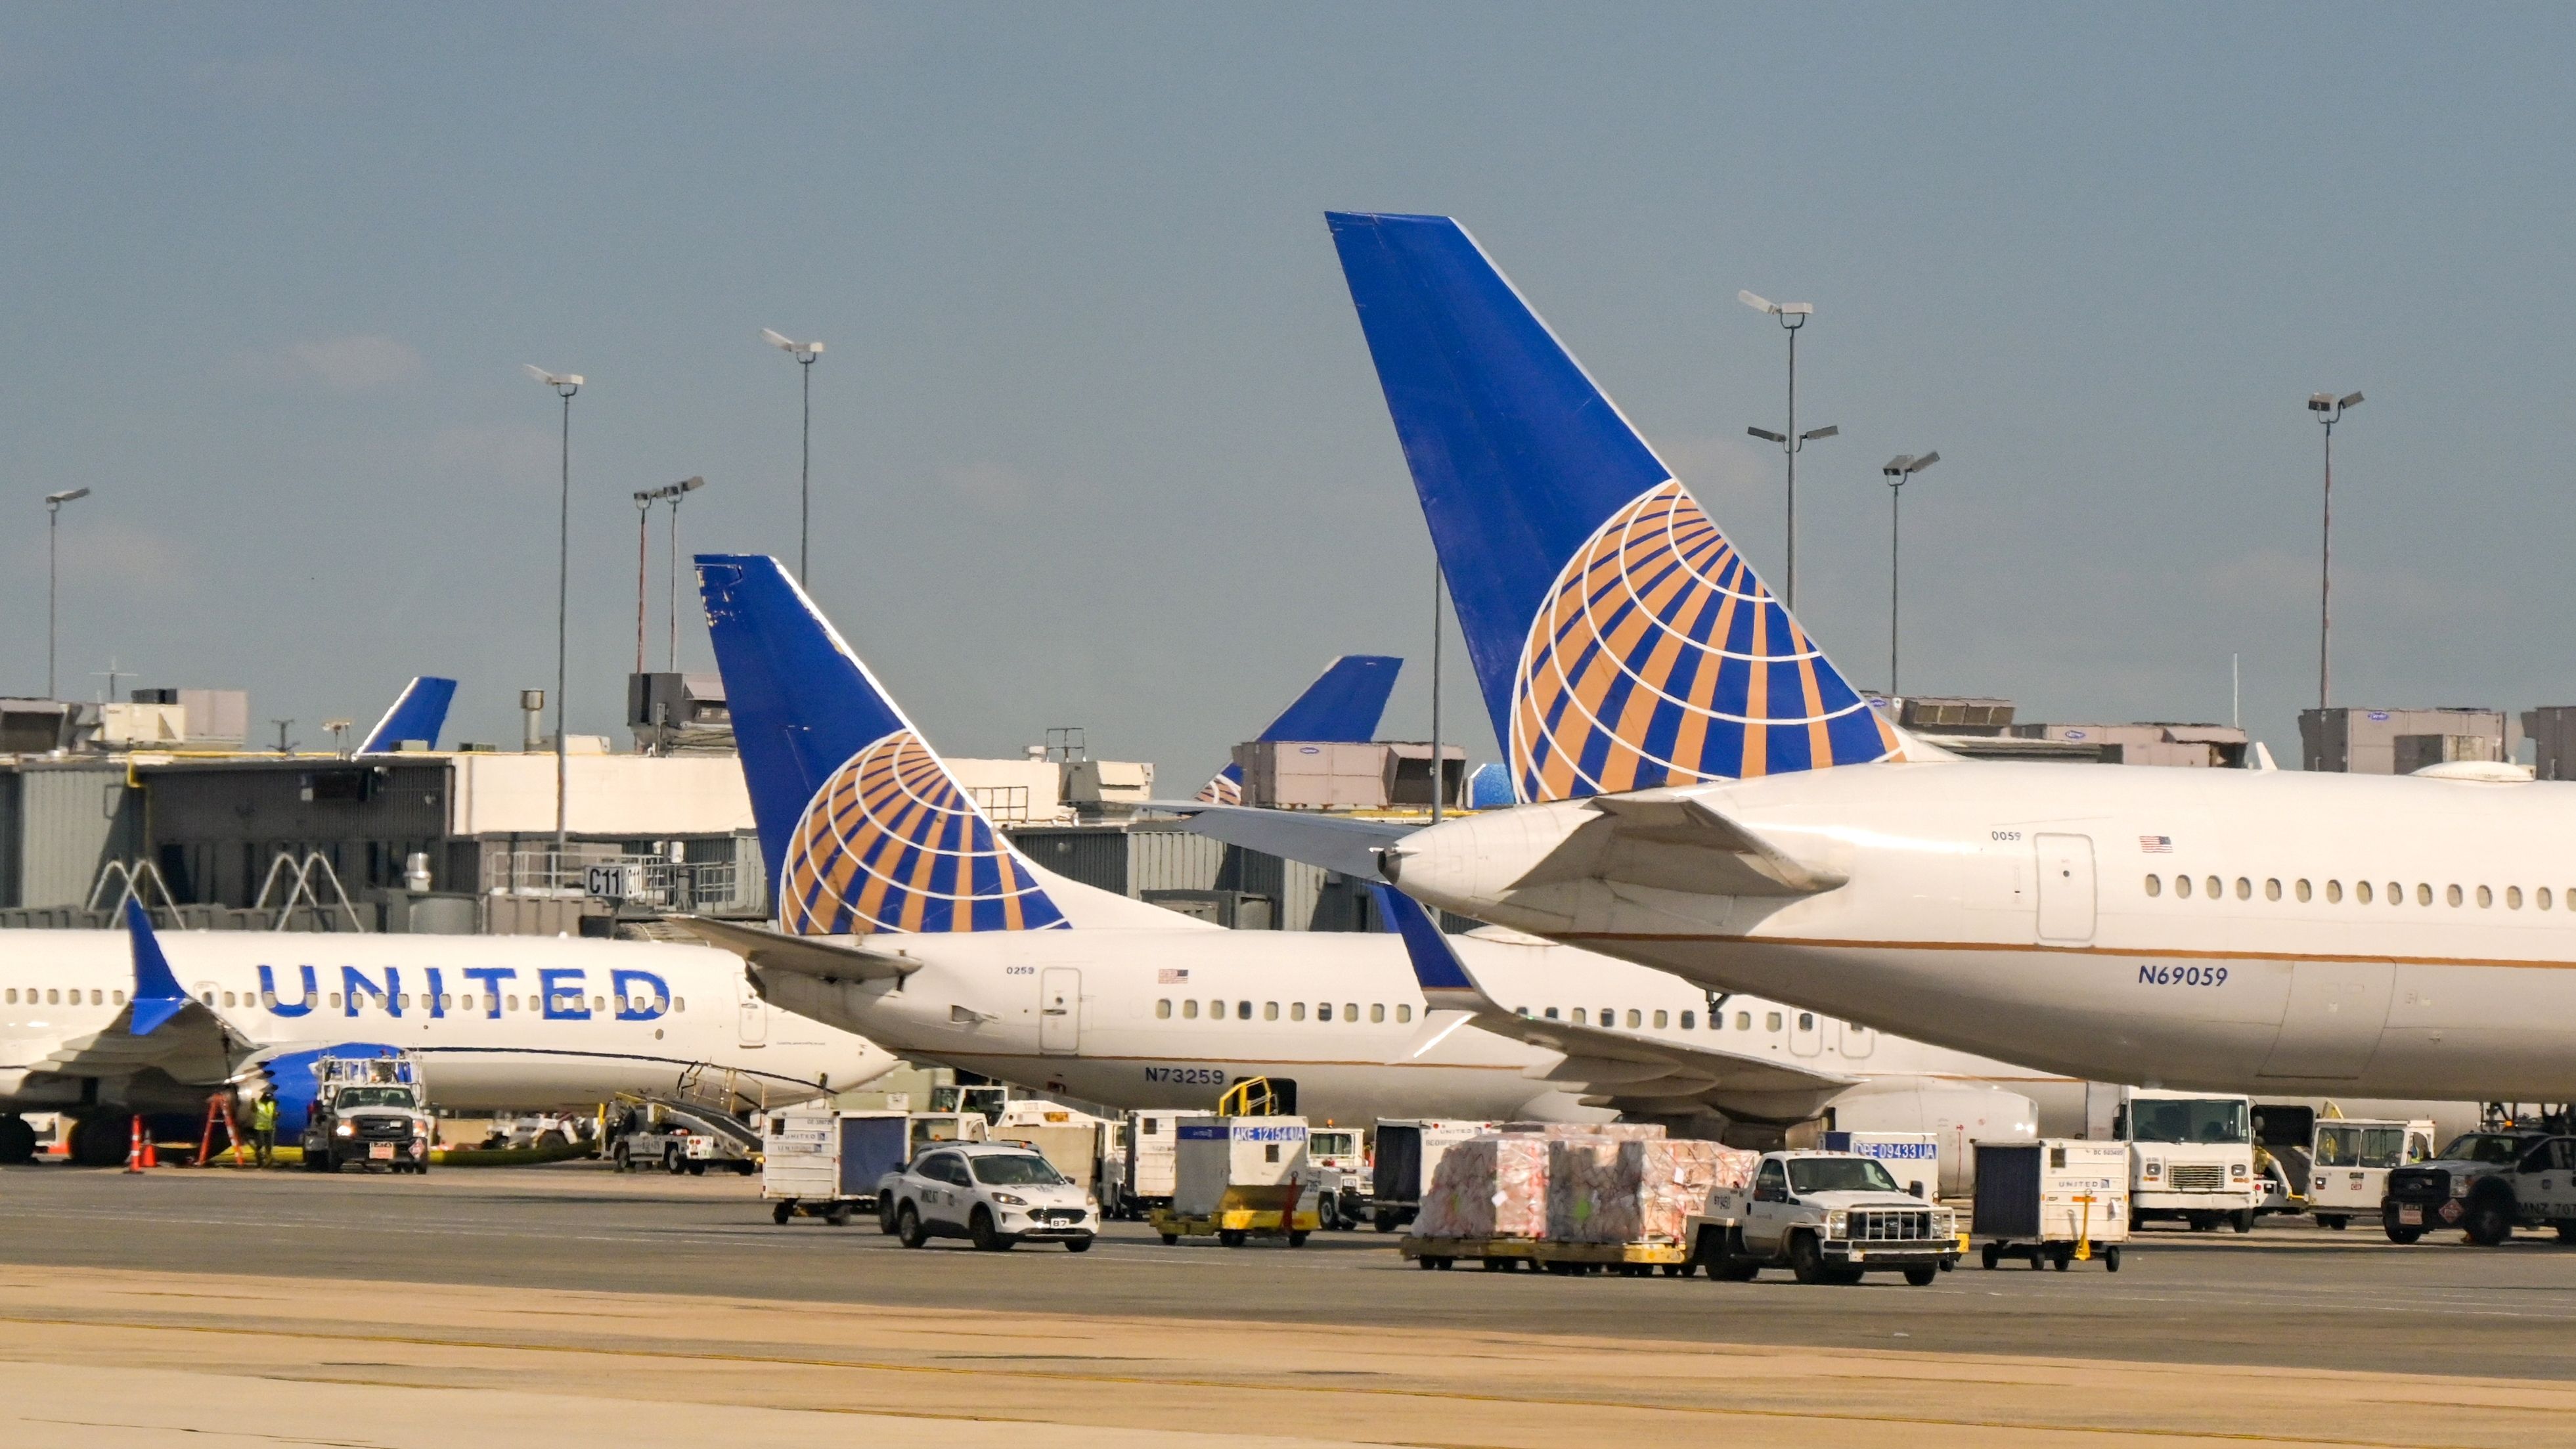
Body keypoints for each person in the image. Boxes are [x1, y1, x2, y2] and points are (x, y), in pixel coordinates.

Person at [250, 1089, 278, 1167]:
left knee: (269, 1146)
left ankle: (268, 1160)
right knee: (260, 1144)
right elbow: (253, 1110)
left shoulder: (272, 1104)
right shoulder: (259, 1104)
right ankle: (259, 1159)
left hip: (269, 1127)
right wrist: (252, 1102)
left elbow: (273, 1115)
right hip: (260, 1127)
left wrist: (276, 1115)